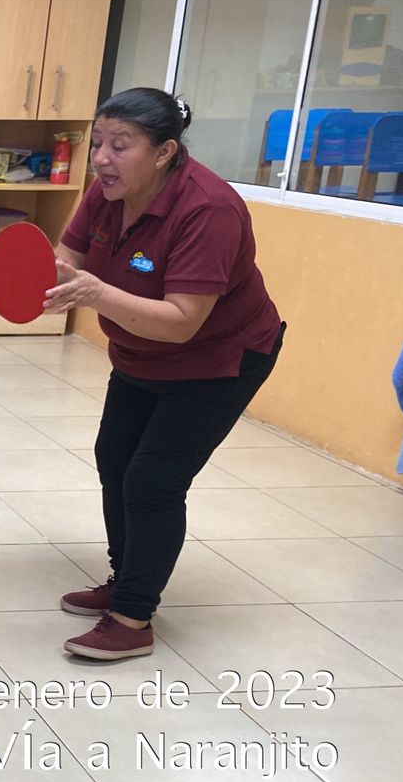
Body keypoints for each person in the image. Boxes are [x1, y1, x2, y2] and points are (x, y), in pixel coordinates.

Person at [41, 88, 285, 661]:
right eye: (98, 142)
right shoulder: (107, 193)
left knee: (152, 481)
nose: (101, 158)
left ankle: (132, 619)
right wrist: (29, 274)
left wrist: (97, 293)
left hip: (219, 360)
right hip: (140, 353)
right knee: (114, 461)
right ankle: (124, 578)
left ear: (164, 151)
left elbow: (181, 323)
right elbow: (67, 258)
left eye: (120, 145)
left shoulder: (209, 209)